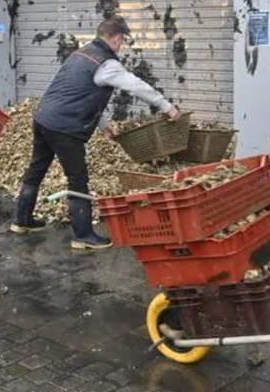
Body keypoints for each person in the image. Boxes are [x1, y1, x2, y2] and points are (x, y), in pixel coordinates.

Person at [13, 16, 181, 249]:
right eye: (121, 40)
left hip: (42, 118)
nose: (121, 45)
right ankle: (83, 236)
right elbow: (136, 86)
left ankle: (22, 221)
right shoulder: (107, 64)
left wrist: (103, 124)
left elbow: (81, 93)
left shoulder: (80, 54)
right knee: (77, 178)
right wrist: (167, 107)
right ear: (115, 38)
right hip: (64, 127)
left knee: (36, 168)